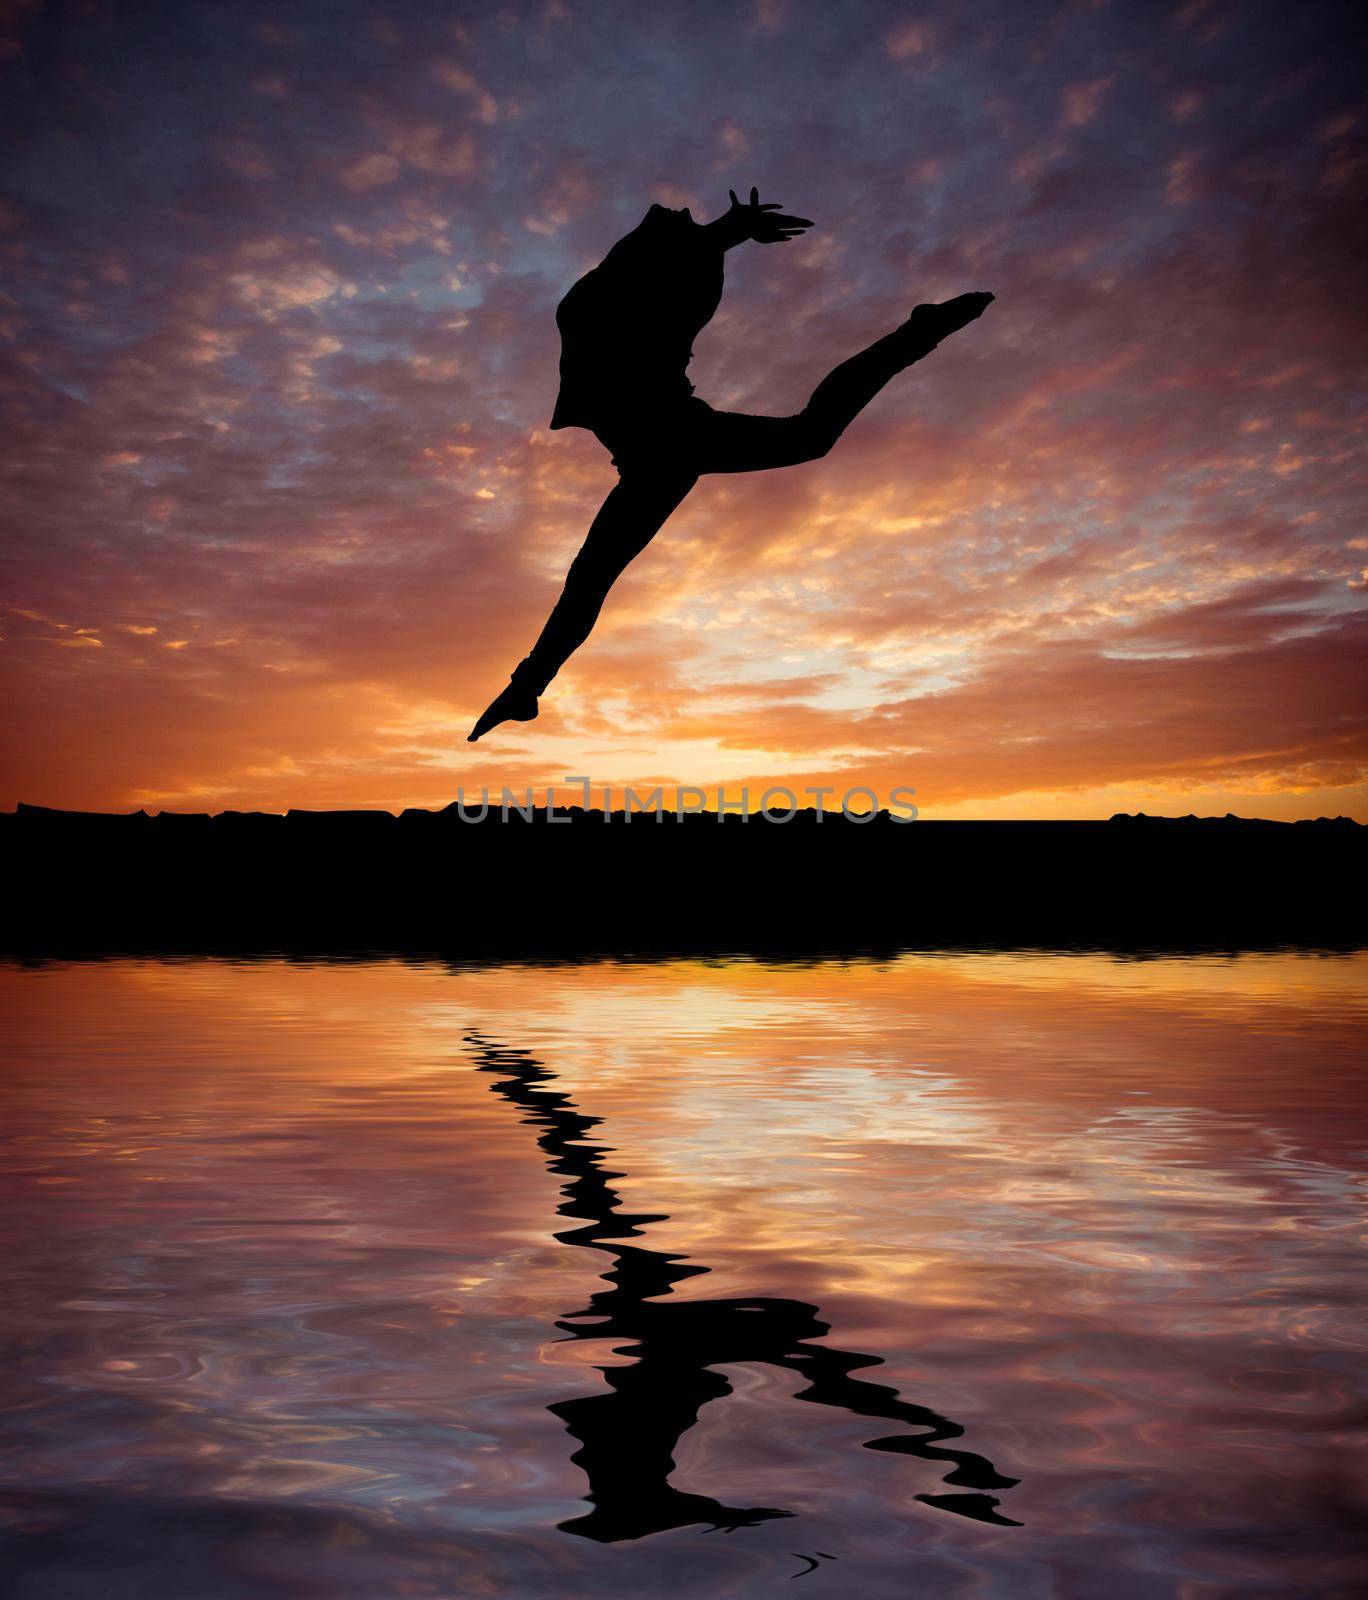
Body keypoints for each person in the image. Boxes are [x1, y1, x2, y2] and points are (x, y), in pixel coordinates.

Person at [468, 188, 993, 742]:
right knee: (590, 580)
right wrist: (725, 231)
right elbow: (655, 266)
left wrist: (726, 231)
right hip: (653, 462)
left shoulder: (614, 309)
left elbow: (667, 264)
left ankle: (921, 331)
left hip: (675, 438)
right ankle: (526, 688)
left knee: (807, 437)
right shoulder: (599, 307)